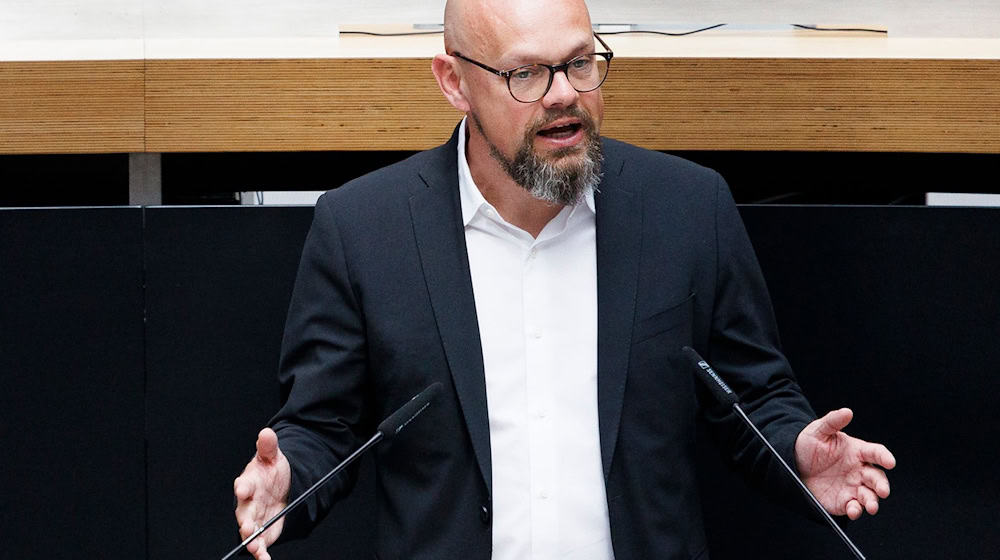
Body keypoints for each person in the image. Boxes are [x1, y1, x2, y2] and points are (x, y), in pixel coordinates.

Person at [234, 1, 896, 559]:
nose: (563, 94)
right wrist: (288, 481)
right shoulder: (362, 229)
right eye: (525, 73)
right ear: (454, 81)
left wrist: (795, 449)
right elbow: (323, 429)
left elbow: (752, 396)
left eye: (580, 63)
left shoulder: (688, 209)